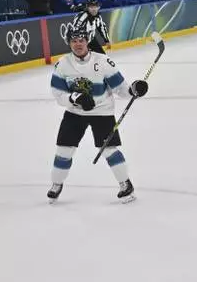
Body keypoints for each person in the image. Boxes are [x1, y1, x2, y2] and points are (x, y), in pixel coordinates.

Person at [48, 28, 148, 203]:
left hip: (102, 112)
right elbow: (58, 94)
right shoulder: (62, 64)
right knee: (64, 150)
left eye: (81, 40)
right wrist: (74, 97)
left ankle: (126, 184)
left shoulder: (103, 62)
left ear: (87, 42)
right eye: (74, 41)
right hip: (75, 112)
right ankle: (57, 184)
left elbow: (121, 88)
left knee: (109, 149)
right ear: (69, 43)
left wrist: (133, 90)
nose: (78, 44)